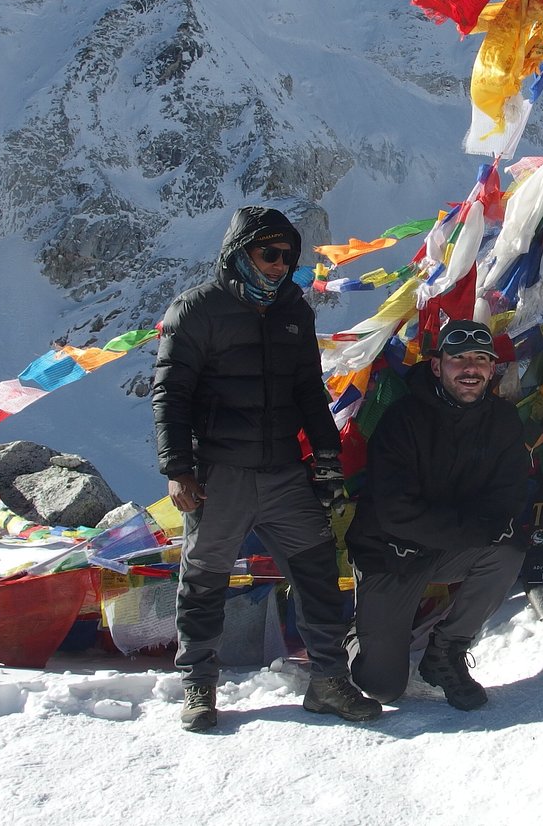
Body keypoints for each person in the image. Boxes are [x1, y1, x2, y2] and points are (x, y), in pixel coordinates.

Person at [152, 206, 381, 730]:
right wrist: (178, 468)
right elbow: (171, 394)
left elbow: (307, 390)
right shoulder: (195, 310)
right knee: (204, 578)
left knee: (319, 570)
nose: (280, 265)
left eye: (287, 257)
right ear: (240, 253)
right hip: (218, 475)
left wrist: (326, 456)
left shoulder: (293, 311)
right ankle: (199, 687)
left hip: (283, 471)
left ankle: (327, 682)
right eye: (269, 254)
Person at [345, 319, 533, 710]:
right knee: (382, 687)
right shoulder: (402, 420)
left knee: (507, 549)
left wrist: (483, 530)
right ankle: (357, 638)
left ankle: (446, 653)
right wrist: (473, 530)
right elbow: (395, 512)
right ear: (437, 366)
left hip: (448, 549)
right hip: (391, 556)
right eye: (458, 358)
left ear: (491, 368)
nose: (470, 368)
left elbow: (509, 496)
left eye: (480, 359)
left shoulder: (502, 421)